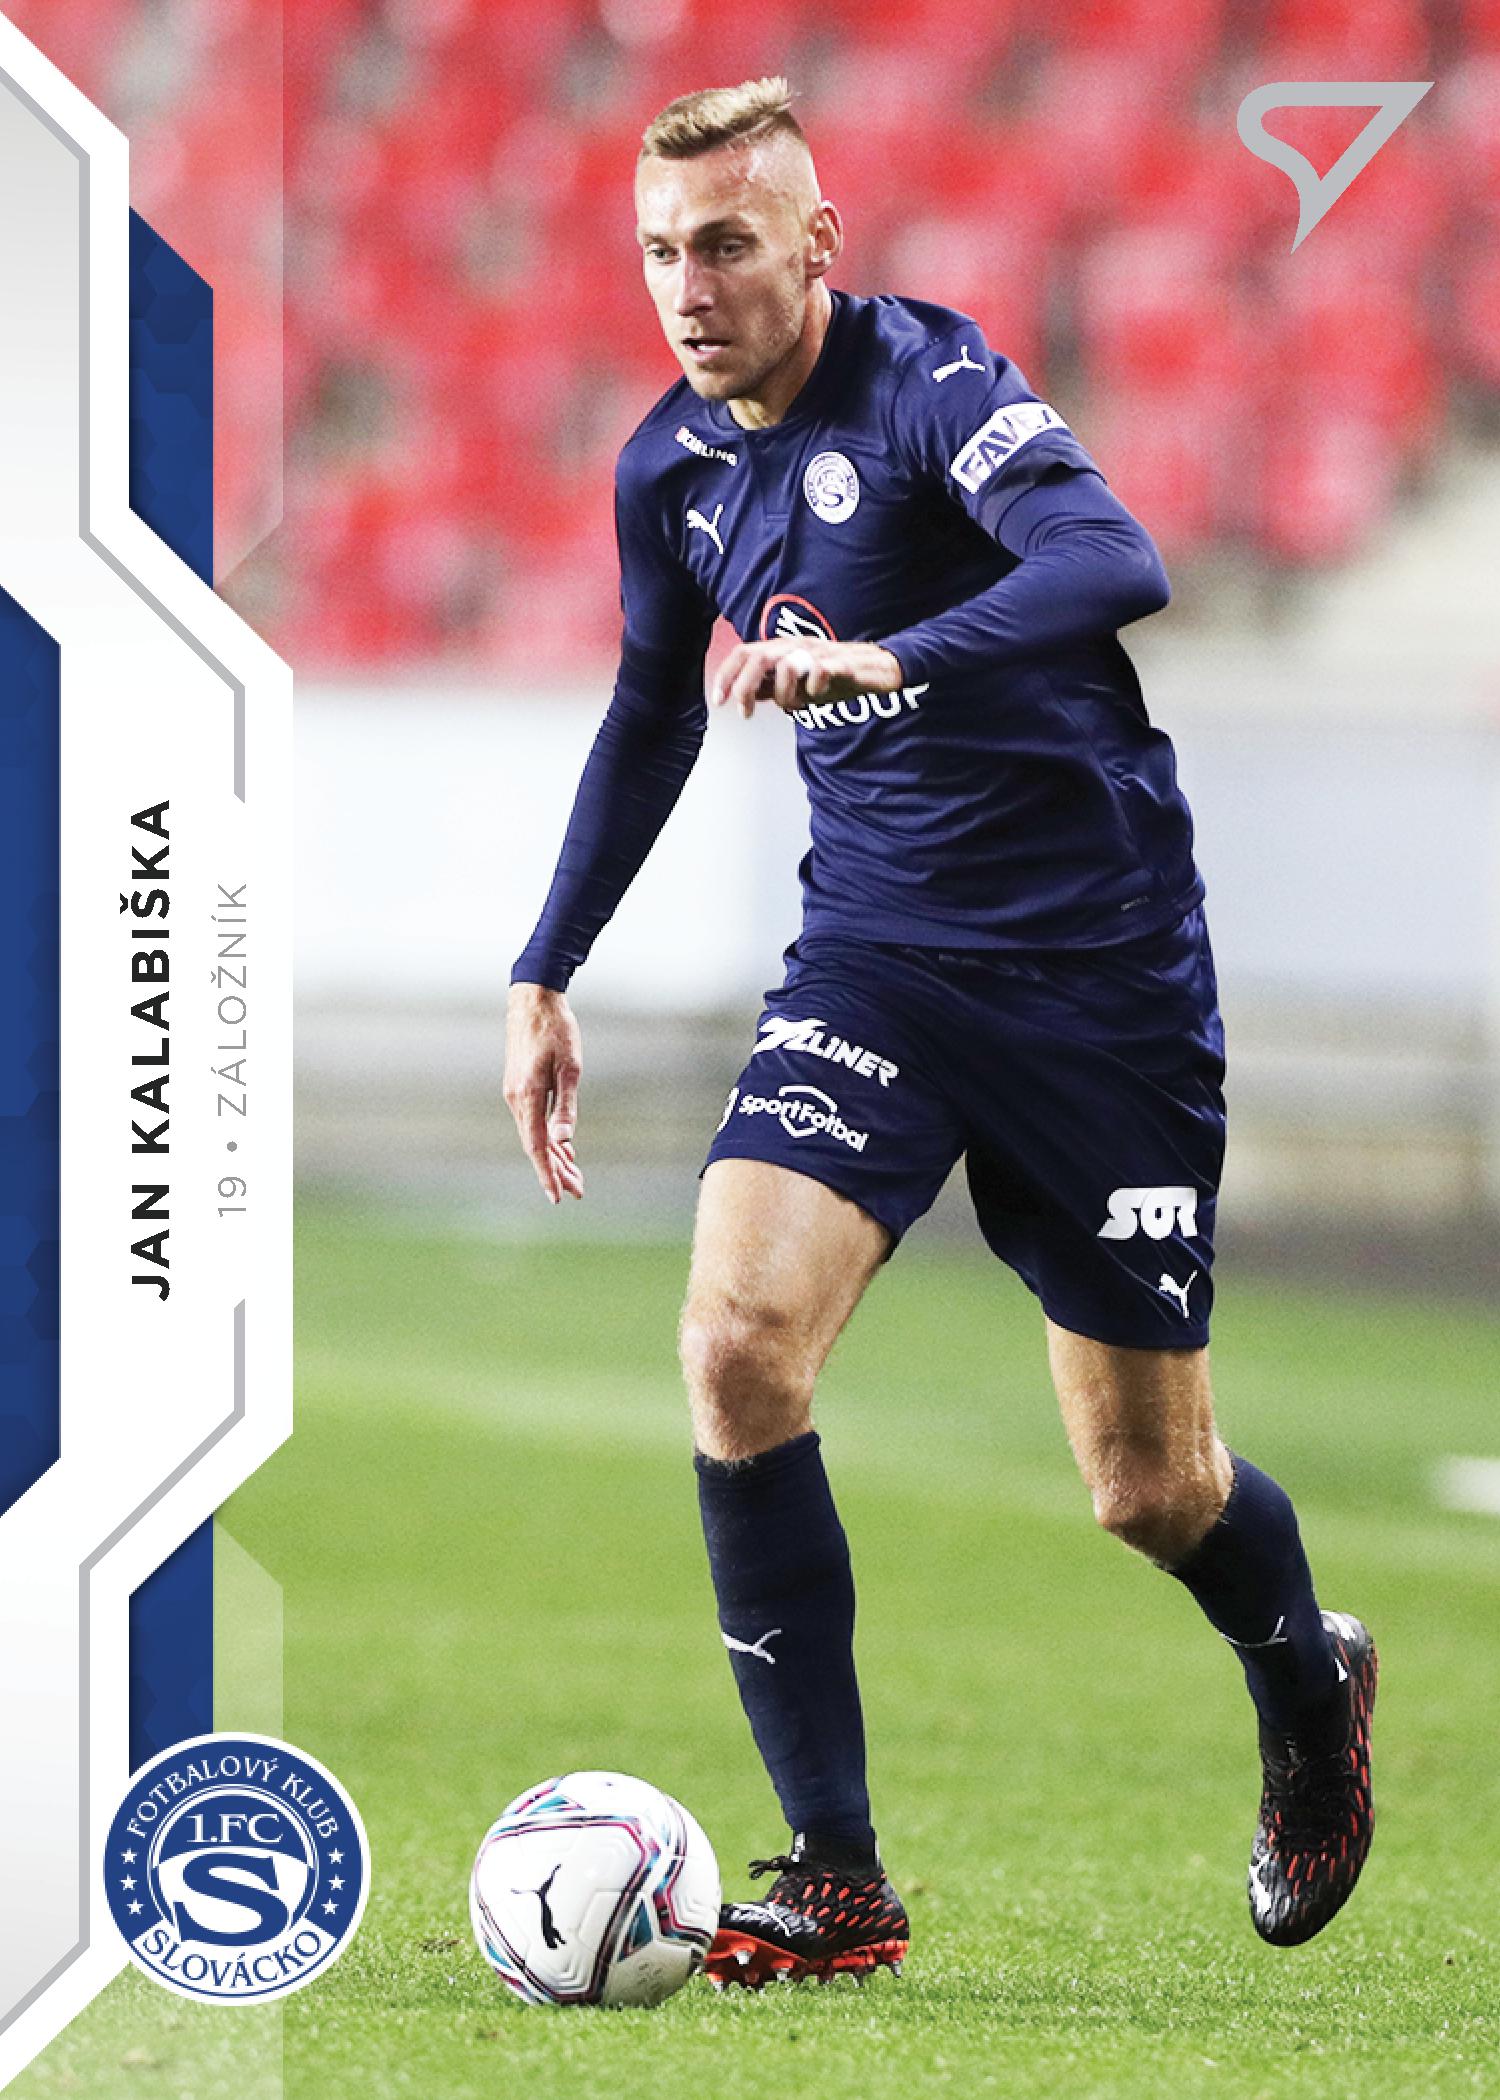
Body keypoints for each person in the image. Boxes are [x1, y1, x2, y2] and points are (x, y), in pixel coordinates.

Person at [504, 76, 1376, 1989]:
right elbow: (653, 708)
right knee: (736, 1344)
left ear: (819, 244)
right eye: (658, 252)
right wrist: (545, 967)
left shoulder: (928, 383)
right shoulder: (668, 468)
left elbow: (1113, 563)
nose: (688, 287)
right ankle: (836, 1877)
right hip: (878, 964)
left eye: (727, 244)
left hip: (1098, 976)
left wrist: (891, 655)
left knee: (1150, 1490)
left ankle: (1309, 1681)